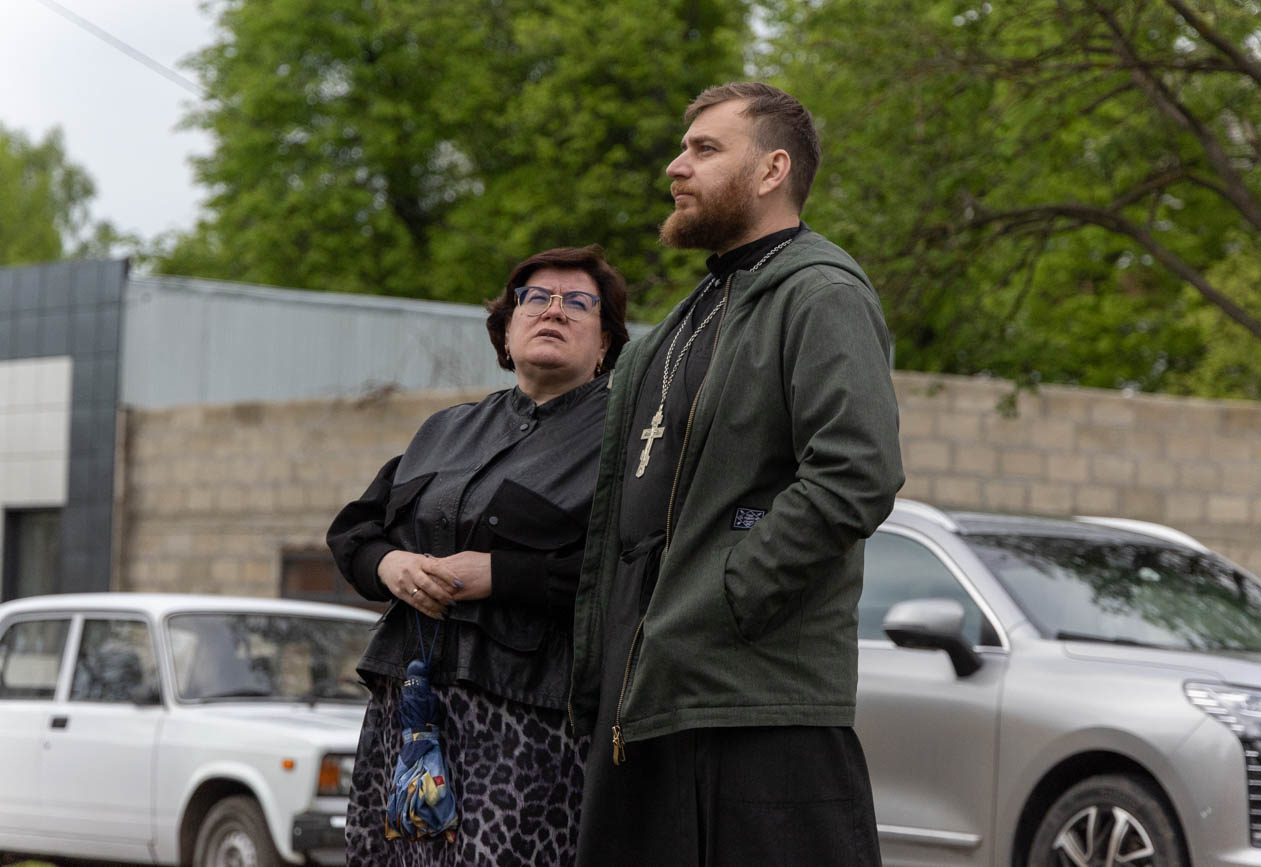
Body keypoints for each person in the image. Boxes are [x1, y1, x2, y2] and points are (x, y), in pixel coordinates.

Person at [569, 82, 905, 867]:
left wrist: (730, 595)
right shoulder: (679, 325)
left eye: (704, 149)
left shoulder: (820, 294)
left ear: (771, 170)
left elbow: (856, 471)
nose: (675, 166)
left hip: (758, 711)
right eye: (683, 147)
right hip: (650, 706)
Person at [327, 245, 629, 866]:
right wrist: (389, 566)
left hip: (528, 717)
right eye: (536, 299)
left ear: (604, 343)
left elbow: (635, 568)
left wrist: (500, 574)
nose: (554, 311)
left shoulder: (626, 438)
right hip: (410, 711)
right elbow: (355, 531)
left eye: (578, 303)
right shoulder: (445, 430)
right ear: (507, 330)